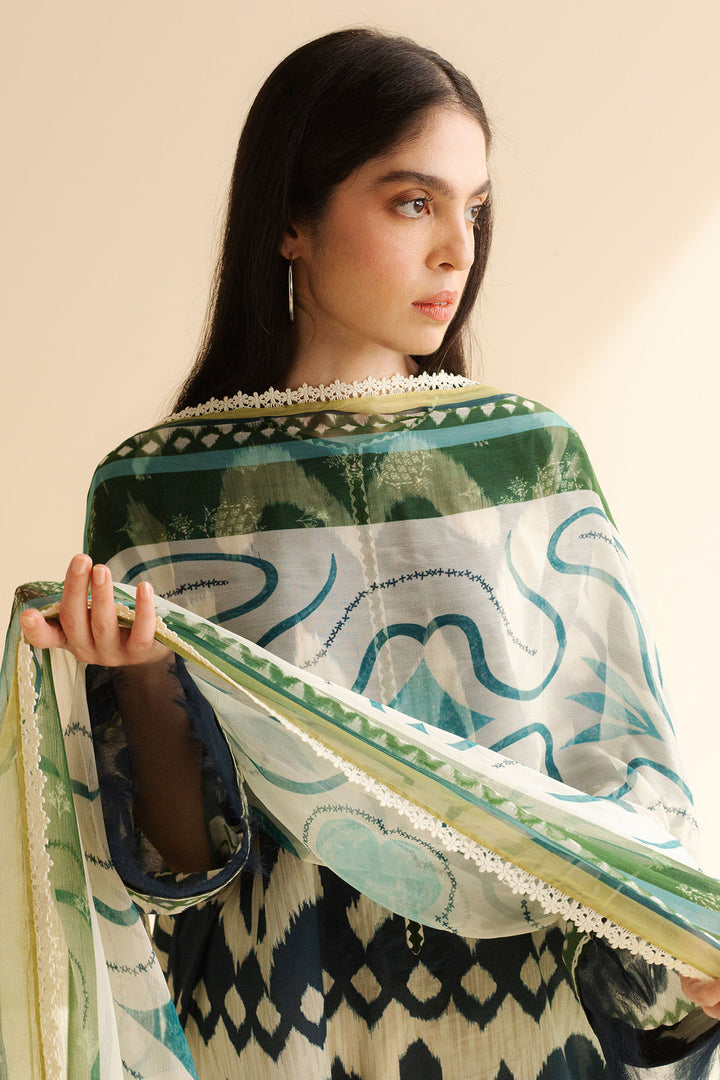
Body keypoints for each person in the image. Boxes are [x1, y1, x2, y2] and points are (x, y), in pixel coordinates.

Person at [18, 26, 720, 1080]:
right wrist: (148, 681)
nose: (458, 251)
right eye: (412, 202)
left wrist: (683, 935)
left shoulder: (529, 459)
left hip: (533, 1023)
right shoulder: (156, 492)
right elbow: (186, 863)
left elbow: (621, 774)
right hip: (280, 1024)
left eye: (473, 208)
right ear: (291, 220)